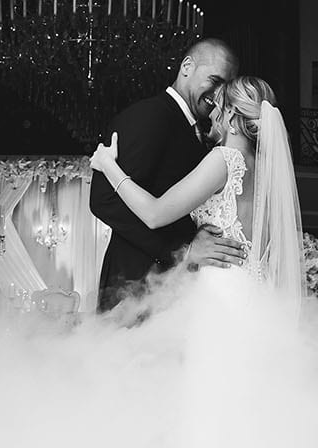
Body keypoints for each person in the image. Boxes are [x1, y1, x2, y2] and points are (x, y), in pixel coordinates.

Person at [89, 76, 305, 302]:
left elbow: (154, 214)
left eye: (216, 107)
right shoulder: (266, 167)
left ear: (230, 114)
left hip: (222, 291)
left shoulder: (223, 160)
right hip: (259, 292)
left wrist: (107, 164)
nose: (210, 114)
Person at [88, 38, 248, 311]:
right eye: (214, 80)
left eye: (225, 87)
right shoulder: (150, 115)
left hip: (178, 292)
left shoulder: (205, 135)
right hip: (134, 286)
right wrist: (183, 250)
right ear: (187, 67)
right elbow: (103, 200)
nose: (218, 94)